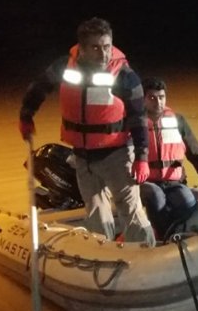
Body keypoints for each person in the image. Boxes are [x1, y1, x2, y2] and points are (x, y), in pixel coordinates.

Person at [18, 17, 154, 244]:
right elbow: (39, 87)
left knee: (131, 211)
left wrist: (142, 158)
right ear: (81, 49)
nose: (104, 54)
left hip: (117, 155)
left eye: (107, 46)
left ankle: (147, 254)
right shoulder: (64, 66)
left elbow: (138, 118)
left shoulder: (124, 75)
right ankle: (103, 257)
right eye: (96, 48)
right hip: (82, 155)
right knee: (95, 212)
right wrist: (26, 116)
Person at [140, 77, 198, 239]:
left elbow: (196, 153)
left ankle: (190, 236)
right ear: (143, 100)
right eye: (152, 98)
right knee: (156, 196)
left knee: (187, 200)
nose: (158, 102)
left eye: (161, 97)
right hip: (146, 182)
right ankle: (164, 240)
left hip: (174, 182)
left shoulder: (178, 121)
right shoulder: (135, 124)